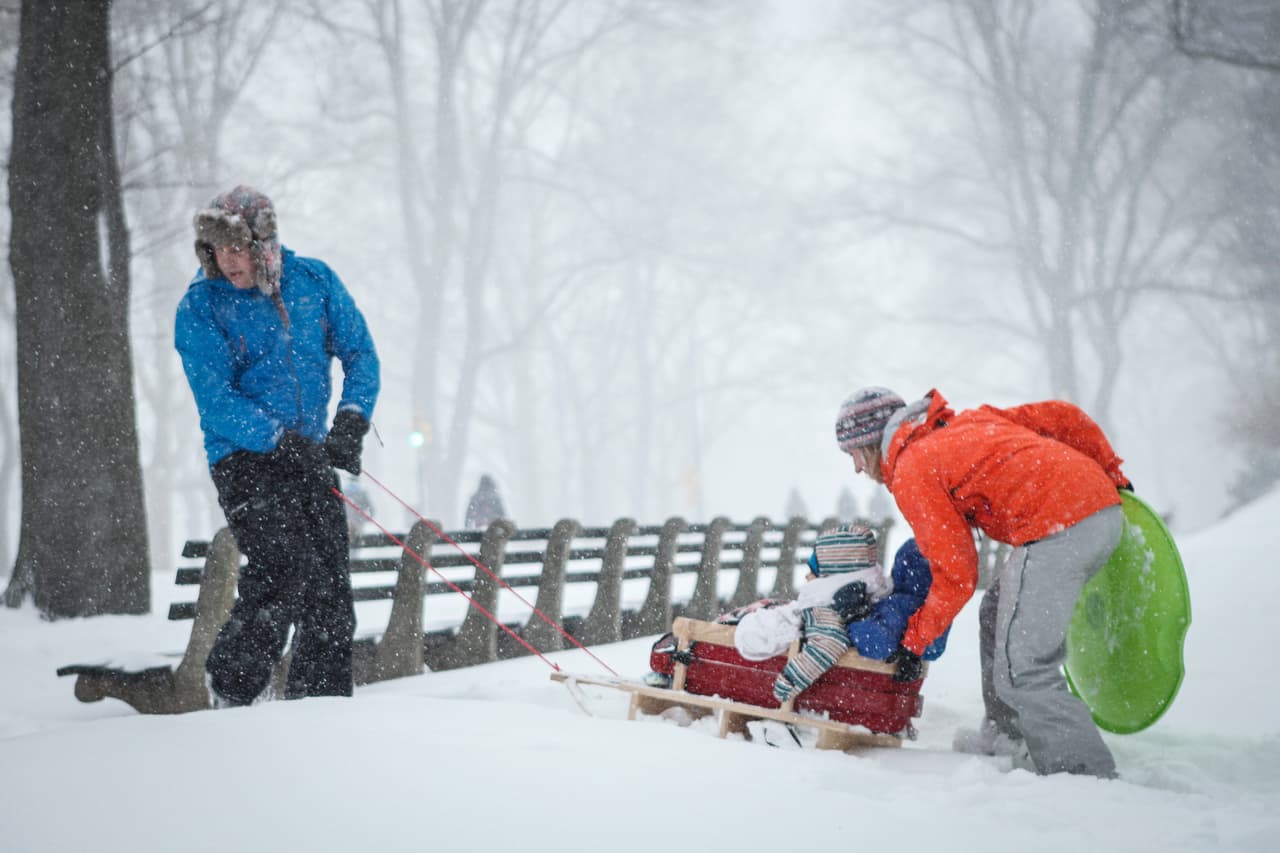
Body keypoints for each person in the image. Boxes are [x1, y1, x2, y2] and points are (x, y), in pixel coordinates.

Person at [836, 386, 1130, 778]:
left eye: (854, 455)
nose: (857, 468)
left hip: (1060, 526)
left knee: (1024, 666)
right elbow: (1064, 416)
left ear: (872, 444)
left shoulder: (914, 467)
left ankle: (1083, 776)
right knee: (995, 612)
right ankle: (1005, 735)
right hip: (1099, 511)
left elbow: (956, 574)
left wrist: (914, 643)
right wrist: (1111, 472)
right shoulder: (967, 423)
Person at [175, 185, 380, 707]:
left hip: (309, 455)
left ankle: (320, 706)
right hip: (243, 459)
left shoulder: (314, 282)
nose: (228, 261)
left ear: (263, 244)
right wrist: (275, 439)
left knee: (329, 589)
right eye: (217, 249)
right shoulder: (201, 306)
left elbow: (360, 354)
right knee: (284, 566)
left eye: (237, 248)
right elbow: (216, 400)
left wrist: (351, 420)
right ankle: (230, 690)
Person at [730, 524, 892, 703]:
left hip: (827, 694)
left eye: (813, 572)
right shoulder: (869, 595)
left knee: (750, 614)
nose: (807, 576)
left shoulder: (826, 605)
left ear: (829, 576)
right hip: (863, 687)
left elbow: (829, 643)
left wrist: (790, 681)